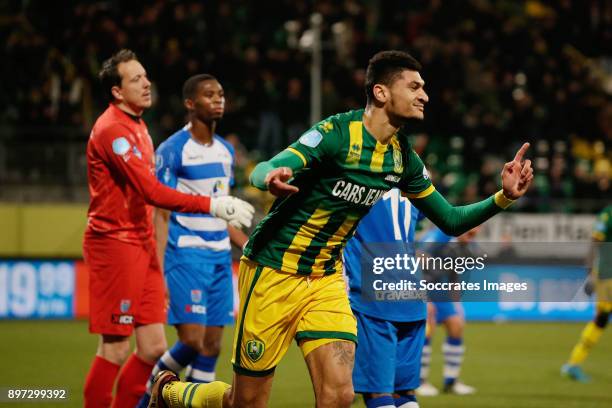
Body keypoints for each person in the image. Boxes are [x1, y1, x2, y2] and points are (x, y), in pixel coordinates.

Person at [149, 50, 533, 408]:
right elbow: (267, 165)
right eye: (415, 87)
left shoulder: (402, 157)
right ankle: (171, 391)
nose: (425, 96)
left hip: (326, 279)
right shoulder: (336, 134)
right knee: (246, 402)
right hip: (272, 270)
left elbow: (449, 219)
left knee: (340, 396)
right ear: (381, 92)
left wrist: (503, 197)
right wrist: (271, 177)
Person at [82, 49, 254, 408]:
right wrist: (210, 204)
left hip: (144, 245)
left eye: (146, 76)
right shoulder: (113, 129)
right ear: (116, 91)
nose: (146, 83)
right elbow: (151, 192)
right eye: (135, 79)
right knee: (115, 349)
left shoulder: (138, 125)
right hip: (115, 244)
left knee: (154, 348)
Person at [136, 74, 250, 408]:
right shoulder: (173, 150)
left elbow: (219, 209)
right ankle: (151, 396)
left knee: (212, 346)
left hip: (218, 258)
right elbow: (162, 211)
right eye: (209, 95)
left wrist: (245, 242)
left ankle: (183, 402)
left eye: (221, 94)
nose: (219, 100)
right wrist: (158, 270)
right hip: (185, 254)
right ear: (190, 104)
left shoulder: (227, 151)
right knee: (192, 339)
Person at [343, 189, 427, 408]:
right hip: (412, 292)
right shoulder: (416, 171)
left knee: (377, 391)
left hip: (374, 295)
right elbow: (444, 216)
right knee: (404, 391)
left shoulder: (361, 173)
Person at [417, 226, 481, 396]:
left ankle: (451, 382)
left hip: (441, 292)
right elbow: (416, 255)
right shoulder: (437, 236)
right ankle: (419, 382)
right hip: (423, 290)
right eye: (469, 231)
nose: (472, 235)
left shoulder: (460, 245)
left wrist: (457, 302)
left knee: (456, 326)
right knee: (427, 331)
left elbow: (454, 272)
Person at [561, 205, 612, 382]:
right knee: (601, 319)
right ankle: (573, 364)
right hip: (607, 275)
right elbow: (594, 243)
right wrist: (590, 274)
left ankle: (573, 363)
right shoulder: (608, 214)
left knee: (601, 320)